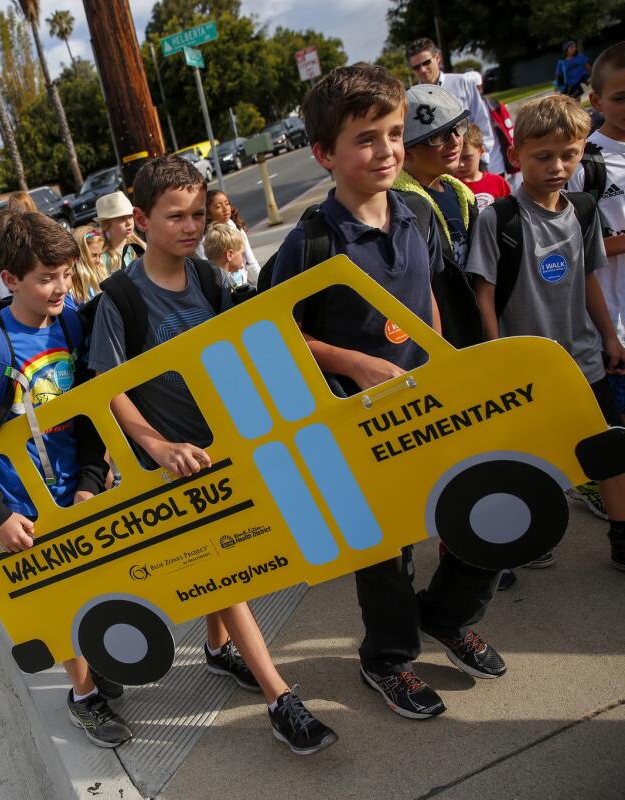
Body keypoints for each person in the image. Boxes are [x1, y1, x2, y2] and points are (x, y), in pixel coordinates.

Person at [268, 63, 506, 720]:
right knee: (385, 550)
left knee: (477, 512)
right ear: (324, 154)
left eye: (395, 134)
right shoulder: (312, 241)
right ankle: (388, 657)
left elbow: (424, 289)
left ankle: (447, 615)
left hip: (428, 404)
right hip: (357, 426)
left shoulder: (414, 212)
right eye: (366, 138)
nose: (387, 151)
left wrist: (436, 354)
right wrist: (356, 363)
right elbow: (271, 337)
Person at [87, 154, 337, 754]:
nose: (191, 226)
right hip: (176, 463)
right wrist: (156, 444)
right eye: (175, 216)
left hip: (229, 443)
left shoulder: (209, 279)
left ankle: (218, 650)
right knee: (225, 567)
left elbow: (247, 340)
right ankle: (281, 698)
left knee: (233, 552)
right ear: (141, 220)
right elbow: (109, 388)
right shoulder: (119, 298)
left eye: (199, 213)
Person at [0, 208, 134, 748]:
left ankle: (93, 667)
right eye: (46, 278)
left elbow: (89, 410)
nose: (60, 287)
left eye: (65, 273)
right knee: (55, 602)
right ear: (11, 279)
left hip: (76, 493)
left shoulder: (72, 323)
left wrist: (90, 478)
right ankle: (84, 695)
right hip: (21, 507)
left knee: (94, 585)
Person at [467, 93, 625, 572]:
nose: (557, 166)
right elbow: (484, 294)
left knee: (608, 448)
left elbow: (590, 279)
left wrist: (610, 338)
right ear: (515, 156)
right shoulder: (499, 219)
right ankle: (534, 536)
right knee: (534, 454)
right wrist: (495, 357)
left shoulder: (582, 210)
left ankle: (621, 534)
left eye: (569, 154)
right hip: (528, 365)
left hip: (585, 356)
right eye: (543, 156)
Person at [570, 43, 625, 345]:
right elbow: (567, 249)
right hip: (614, 333)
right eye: (620, 99)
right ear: (597, 101)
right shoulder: (583, 163)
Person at [393, 83, 479, 269]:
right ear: (406, 152)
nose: (455, 140)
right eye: (439, 136)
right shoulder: (402, 209)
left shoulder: (461, 195)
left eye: (458, 127)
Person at [407, 38, 504, 176]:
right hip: (442, 169)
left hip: (474, 164)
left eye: (426, 62)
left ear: (437, 57)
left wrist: (483, 159)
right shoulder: (413, 98)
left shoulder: (462, 83)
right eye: (416, 67)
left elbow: (482, 121)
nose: (422, 69)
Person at [203, 190, 260, 286]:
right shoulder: (205, 240)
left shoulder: (237, 229)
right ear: (207, 214)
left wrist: (263, 283)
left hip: (242, 285)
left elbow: (251, 261)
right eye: (218, 207)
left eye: (227, 204)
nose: (225, 209)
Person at [0, 192, 40, 299]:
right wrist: (7, 298)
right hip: (18, 293)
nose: (18, 214)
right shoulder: (2, 238)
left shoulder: (40, 231)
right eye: (14, 210)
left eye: (22, 209)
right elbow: (0, 271)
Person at [455, 124, 511, 210]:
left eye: (466, 158)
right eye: (455, 157)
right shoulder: (448, 187)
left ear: (481, 151)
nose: (460, 164)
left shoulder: (498, 183)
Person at [96, 191, 145, 273]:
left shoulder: (140, 246)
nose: (129, 223)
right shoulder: (101, 259)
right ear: (106, 223)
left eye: (130, 216)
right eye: (122, 218)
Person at [202, 222, 252, 292]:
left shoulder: (208, 280)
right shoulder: (224, 286)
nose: (243, 258)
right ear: (229, 255)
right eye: (241, 253)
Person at [71, 226, 109, 305]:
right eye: (94, 255)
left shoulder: (100, 274)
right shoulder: (71, 286)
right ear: (80, 255)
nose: (98, 261)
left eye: (100, 255)